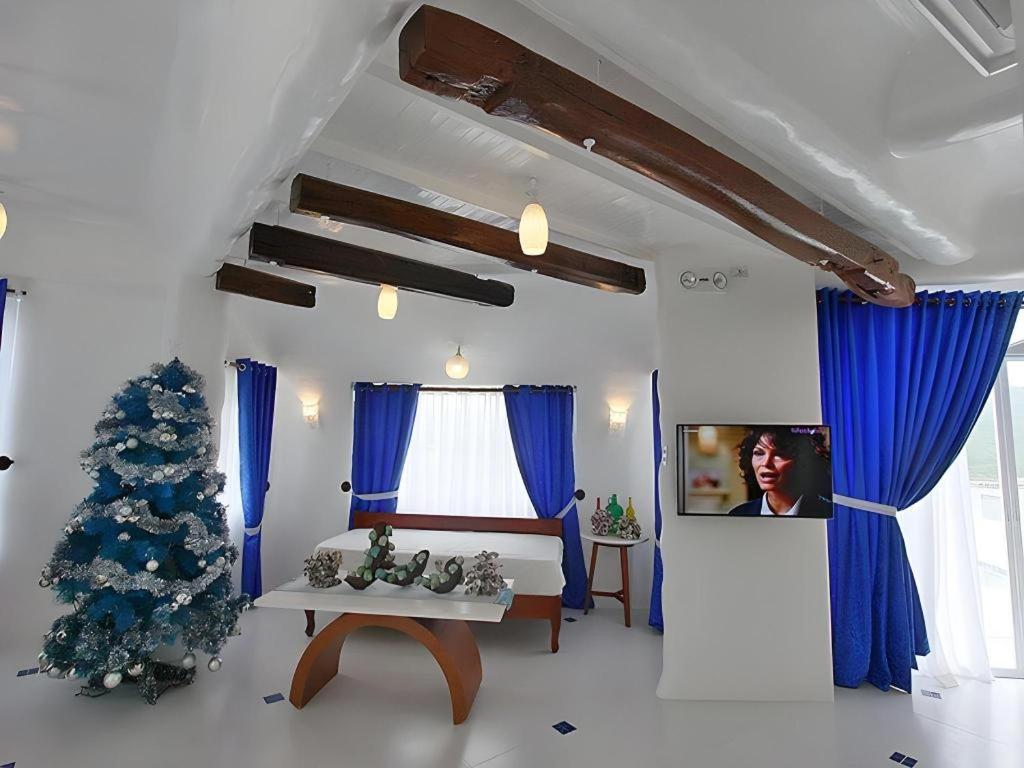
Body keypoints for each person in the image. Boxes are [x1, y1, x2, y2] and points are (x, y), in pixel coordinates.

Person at [727, 427, 832, 517]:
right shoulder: (738, 514)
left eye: (779, 454)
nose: (766, 463)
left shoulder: (828, 512)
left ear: (802, 461)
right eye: (759, 453)